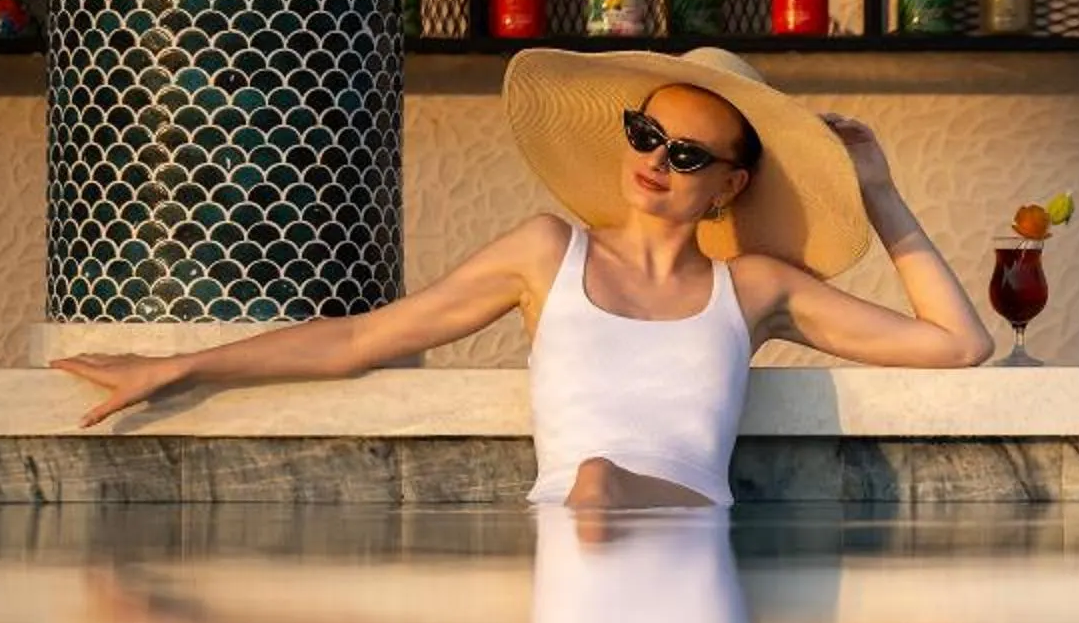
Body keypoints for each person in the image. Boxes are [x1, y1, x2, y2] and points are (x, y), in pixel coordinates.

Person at [51, 48, 992, 506]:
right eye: (645, 134)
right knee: (591, 485)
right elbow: (362, 337)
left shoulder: (752, 288)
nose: (655, 160)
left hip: (687, 538)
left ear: (728, 187)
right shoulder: (548, 253)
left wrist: (879, 192)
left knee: (602, 484)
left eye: (686, 154)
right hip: (570, 531)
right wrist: (177, 366)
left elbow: (958, 344)